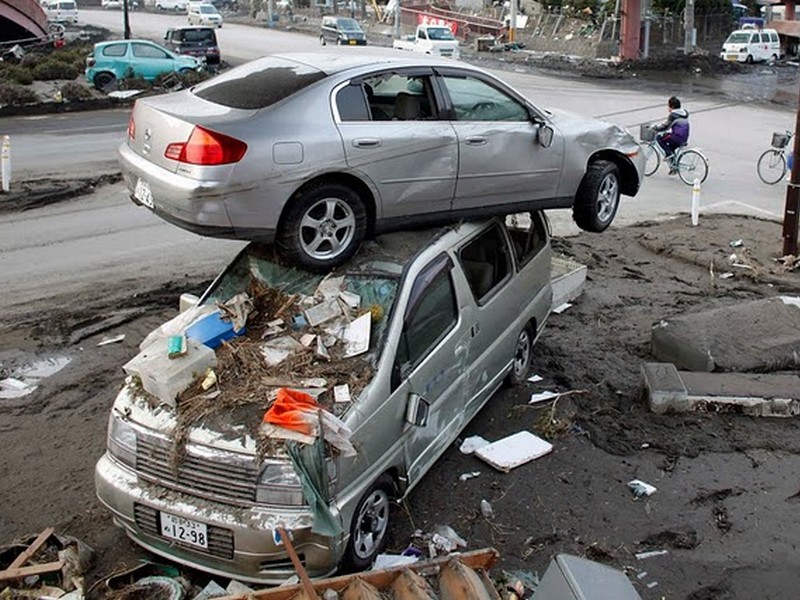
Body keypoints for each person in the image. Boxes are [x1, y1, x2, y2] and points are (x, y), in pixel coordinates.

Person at [652, 96, 690, 174]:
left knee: (659, 138)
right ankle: (674, 168)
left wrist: (656, 128)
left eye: (668, 106)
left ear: (672, 106)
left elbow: (666, 126)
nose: (668, 108)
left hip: (676, 137)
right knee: (670, 146)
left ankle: (668, 155)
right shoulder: (684, 113)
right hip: (684, 137)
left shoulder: (673, 115)